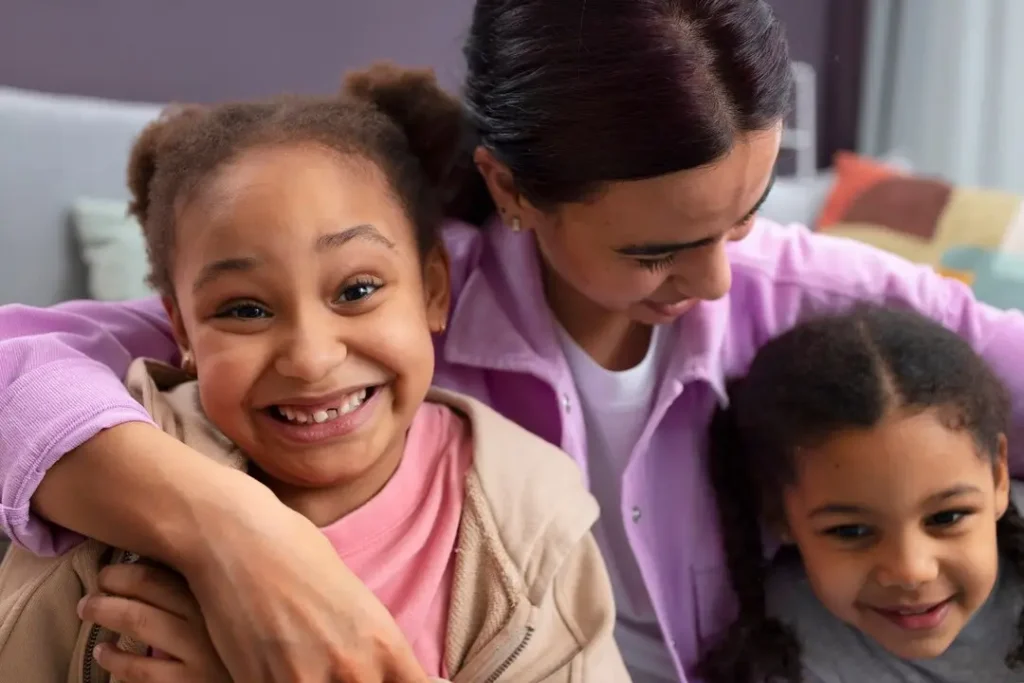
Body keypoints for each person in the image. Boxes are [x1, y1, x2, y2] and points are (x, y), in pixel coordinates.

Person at [1, 0, 1023, 681]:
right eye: (656, 247)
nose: (716, 281)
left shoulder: (804, 292)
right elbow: (27, 367)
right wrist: (234, 536)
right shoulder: (380, 315)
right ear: (510, 190)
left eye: (742, 216)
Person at [0, 66, 628, 683]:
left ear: (434, 288)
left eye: (356, 290)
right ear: (183, 330)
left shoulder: (532, 523)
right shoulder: (108, 478)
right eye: (245, 309)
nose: (310, 357)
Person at [699, 305, 1024, 683]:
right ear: (778, 513)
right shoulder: (781, 650)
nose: (911, 571)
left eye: (946, 518)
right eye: (851, 531)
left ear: (998, 476)